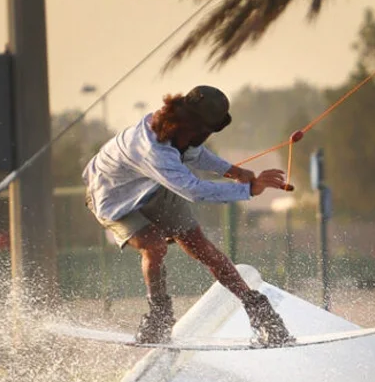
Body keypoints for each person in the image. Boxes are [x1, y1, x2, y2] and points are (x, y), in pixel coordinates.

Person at [82, 85, 294, 346]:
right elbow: (193, 191)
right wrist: (249, 189)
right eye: (207, 132)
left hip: (153, 188)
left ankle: (261, 313)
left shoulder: (181, 130)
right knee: (154, 245)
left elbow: (196, 155)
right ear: (194, 127)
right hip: (113, 200)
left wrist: (235, 172)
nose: (207, 137)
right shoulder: (153, 149)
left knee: (202, 247)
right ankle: (158, 317)